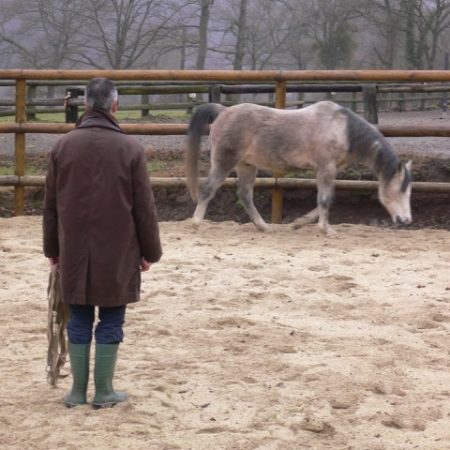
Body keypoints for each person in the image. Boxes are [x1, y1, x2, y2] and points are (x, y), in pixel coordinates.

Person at [43, 77, 162, 409]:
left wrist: (52, 250)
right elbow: (144, 209)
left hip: (74, 252)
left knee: (79, 317)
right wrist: (151, 252)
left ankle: (77, 392)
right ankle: (104, 392)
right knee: (111, 317)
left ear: (84, 106)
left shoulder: (62, 147)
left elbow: (50, 206)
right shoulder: (130, 149)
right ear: (115, 106)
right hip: (118, 252)